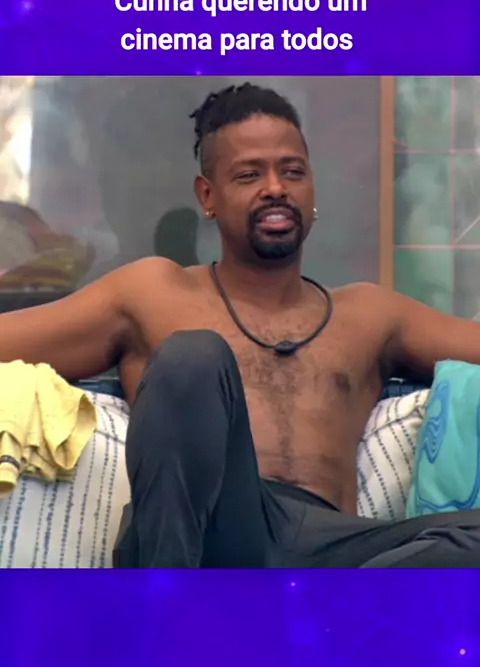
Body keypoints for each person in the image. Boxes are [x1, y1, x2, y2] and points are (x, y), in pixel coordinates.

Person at [3, 83, 480, 568]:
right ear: (207, 196)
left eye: (292, 172)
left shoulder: (369, 314)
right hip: (206, 537)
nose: (275, 188)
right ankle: (164, 606)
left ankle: (340, 604)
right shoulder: (152, 294)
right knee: (194, 355)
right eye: (250, 174)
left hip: (328, 548)